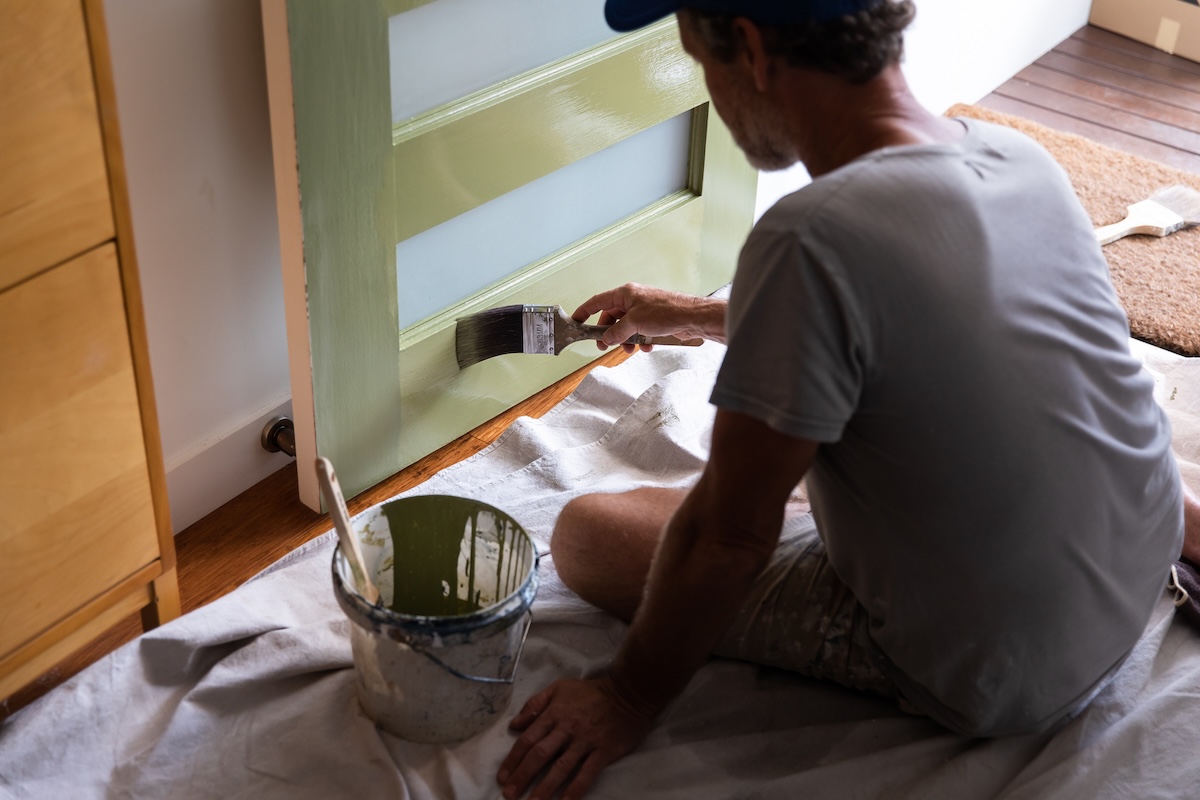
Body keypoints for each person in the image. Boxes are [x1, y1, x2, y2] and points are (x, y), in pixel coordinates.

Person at [496, 2, 1200, 798]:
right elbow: (905, 311)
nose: (715, 97)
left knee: (589, 534)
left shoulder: (807, 239)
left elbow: (726, 540)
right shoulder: (1013, 154)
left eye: (702, 61)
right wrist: (691, 313)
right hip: (1135, 564)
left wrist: (624, 697)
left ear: (754, 50)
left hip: (1008, 671)